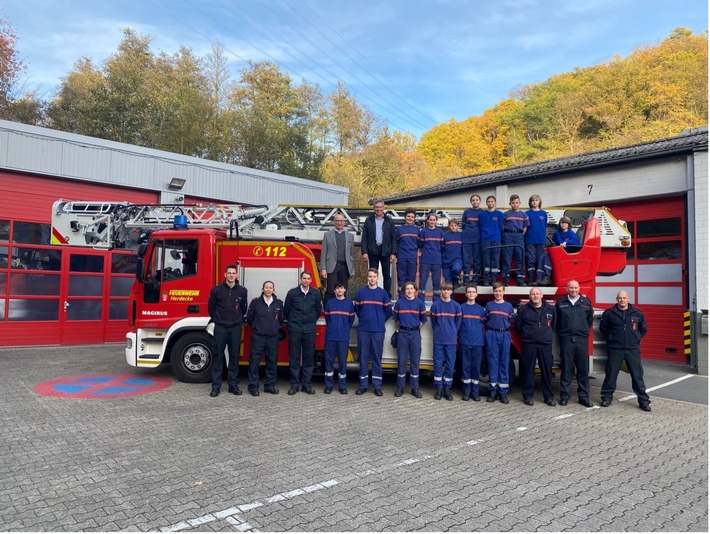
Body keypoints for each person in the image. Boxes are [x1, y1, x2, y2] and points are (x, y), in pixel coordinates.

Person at [600, 291, 651, 411]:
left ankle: (643, 401)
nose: (622, 300)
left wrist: (635, 339)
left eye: (624, 298)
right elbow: (603, 329)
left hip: (632, 349)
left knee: (637, 376)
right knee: (611, 374)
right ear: (616, 299)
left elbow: (643, 330)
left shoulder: (637, 313)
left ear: (628, 299)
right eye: (620, 298)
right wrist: (612, 338)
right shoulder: (609, 313)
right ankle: (606, 397)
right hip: (615, 349)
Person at [208, 264, 248, 397]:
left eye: (233, 273)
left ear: (236, 275)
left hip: (235, 327)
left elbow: (243, 308)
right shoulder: (217, 290)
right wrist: (218, 320)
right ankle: (216, 387)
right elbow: (211, 308)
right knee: (218, 356)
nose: (231, 275)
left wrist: (236, 320)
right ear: (225, 275)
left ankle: (233, 386)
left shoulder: (242, 291)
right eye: (229, 273)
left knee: (234, 356)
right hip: (220, 327)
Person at [515, 287, 557, 406]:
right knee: (528, 371)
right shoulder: (523, 310)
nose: (535, 296)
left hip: (545, 345)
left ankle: (548, 397)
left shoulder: (551, 309)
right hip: (529, 344)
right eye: (533, 294)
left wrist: (545, 335)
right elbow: (518, 326)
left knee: (547, 371)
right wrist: (527, 335)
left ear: (542, 295)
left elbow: (554, 325)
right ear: (529, 296)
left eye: (537, 294)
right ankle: (528, 396)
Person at [556, 280, 594, 407]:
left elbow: (589, 320)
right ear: (567, 288)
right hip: (566, 339)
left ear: (579, 288)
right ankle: (564, 397)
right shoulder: (561, 303)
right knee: (566, 369)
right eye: (571, 288)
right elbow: (557, 321)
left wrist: (581, 331)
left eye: (576, 288)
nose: (573, 290)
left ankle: (583, 397)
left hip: (581, 340)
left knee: (583, 370)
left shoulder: (586, 302)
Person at [354, 268, 393, 396]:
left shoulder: (383, 294)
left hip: (378, 330)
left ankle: (377, 386)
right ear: (367, 278)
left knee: (377, 358)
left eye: (374, 276)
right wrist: (366, 319)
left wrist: (380, 320)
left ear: (377, 278)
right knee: (363, 358)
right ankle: (363, 385)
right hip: (364, 330)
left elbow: (388, 311)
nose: (371, 279)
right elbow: (357, 309)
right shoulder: (360, 292)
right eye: (369, 276)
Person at [284, 271, 323, 395]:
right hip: (295, 329)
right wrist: (293, 323)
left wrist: (311, 322)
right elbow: (287, 310)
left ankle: (306, 385)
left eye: (308, 278)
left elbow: (317, 311)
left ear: (311, 280)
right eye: (304, 278)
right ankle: (294, 385)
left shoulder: (316, 294)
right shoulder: (292, 293)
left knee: (308, 358)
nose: (306, 280)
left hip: (309, 330)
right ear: (300, 279)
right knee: (294, 358)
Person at [246, 281, 284, 396]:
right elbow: (250, 319)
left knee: (272, 362)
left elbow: (281, 318)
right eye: (266, 287)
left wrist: (274, 328)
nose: (268, 289)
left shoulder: (278, 303)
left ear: (274, 289)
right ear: (262, 289)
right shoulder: (255, 303)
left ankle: (269, 386)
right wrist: (257, 328)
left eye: (270, 288)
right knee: (254, 362)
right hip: (258, 336)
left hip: (273, 337)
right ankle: (253, 387)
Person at [392, 281, 428, 398]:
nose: (409, 291)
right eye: (407, 289)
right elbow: (396, 319)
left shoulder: (420, 303)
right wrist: (404, 326)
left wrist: (414, 328)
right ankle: (400, 387)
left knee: (414, 363)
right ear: (404, 291)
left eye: (411, 288)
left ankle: (415, 388)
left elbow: (423, 321)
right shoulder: (399, 303)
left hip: (415, 335)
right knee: (401, 361)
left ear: (415, 290)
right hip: (402, 334)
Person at [430, 283, 462, 401]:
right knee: (438, 364)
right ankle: (439, 389)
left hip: (451, 340)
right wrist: (439, 331)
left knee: (450, 364)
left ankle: (447, 389)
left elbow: (458, 323)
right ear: (441, 291)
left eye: (448, 290)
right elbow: (433, 322)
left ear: (451, 291)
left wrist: (453, 332)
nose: (446, 292)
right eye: (444, 289)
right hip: (438, 339)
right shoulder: (435, 306)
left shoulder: (456, 306)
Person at [323, 283, 355, 395]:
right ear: (335, 290)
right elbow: (328, 318)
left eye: (341, 288)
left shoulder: (349, 304)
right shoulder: (329, 303)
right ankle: (328, 386)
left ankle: (342, 386)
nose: (340, 290)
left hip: (343, 338)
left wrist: (344, 329)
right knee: (329, 362)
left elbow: (351, 320)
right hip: (331, 337)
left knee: (342, 363)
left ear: (345, 290)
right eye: (337, 288)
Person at [485, 282, 514, 403]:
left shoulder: (508, 306)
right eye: (496, 291)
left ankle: (503, 392)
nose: (498, 293)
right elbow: (486, 319)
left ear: (504, 292)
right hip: (492, 333)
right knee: (492, 361)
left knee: (504, 362)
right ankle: (493, 390)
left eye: (500, 291)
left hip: (505, 334)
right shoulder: (489, 305)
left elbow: (511, 320)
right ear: (493, 292)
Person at [361, 199, 397, 297]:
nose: (378, 209)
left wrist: (393, 253)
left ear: (384, 208)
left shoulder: (389, 220)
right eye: (377, 207)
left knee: (386, 275)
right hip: (373, 251)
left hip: (386, 251)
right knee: (372, 274)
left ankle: (386, 295)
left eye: (380, 207)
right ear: (374, 208)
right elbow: (364, 237)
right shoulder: (369, 220)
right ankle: (372, 294)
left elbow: (394, 238)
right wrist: (364, 252)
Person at [320, 213, 355, 303]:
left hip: (345, 266)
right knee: (331, 290)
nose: (339, 223)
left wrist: (352, 270)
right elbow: (323, 253)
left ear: (344, 222)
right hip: (332, 266)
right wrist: (323, 269)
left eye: (341, 221)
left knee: (343, 290)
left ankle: (342, 310)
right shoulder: (327, 235)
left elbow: (352, 254)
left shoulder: (350, 236)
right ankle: (329, 310)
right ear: (334, 222)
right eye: (337, 221)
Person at [459, 284, 486, 401]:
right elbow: (458, 324)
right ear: (466, 294)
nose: (471, 294)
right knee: (465, 366)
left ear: (476, 294)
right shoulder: (461, 308)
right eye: (469, 292)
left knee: (476, 367)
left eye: (473, 292)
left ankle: (475, 392)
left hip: (477, 342)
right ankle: (466, 391)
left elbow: (484, 324)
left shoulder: (481, 309)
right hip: (465, 341)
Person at [538, 216, 582, 286]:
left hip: (566, 253)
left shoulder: (571, 233)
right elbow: (553, 242)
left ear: (568, 225)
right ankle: (539, 278)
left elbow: (577, 243)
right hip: (558, 251)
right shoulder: (557, 233)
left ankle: (547, 277)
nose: (563, 225)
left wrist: (566, 243)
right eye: (562, 223)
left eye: (565, 223)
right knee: (542, 256)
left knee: (547, 256)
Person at [501, 194, 529, 287]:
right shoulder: (505, 214)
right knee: (506, 258)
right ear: (510, 204)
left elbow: (525, 227)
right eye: (513, 203)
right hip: (508, 236)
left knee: (520, 258)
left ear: (519, 203)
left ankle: (520, 279)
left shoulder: (524, 215)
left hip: (519, 236)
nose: (515, 205)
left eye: (516, 203)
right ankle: (505, 279)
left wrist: (520, 235)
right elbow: (502, 226)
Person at [418, 212, 444, 301]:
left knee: (436, 282)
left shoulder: (440, 232)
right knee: (422, 281)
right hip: (425, 260)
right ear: (427, 221)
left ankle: (436, 301)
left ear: (436, 221)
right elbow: (420, 244)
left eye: (434, 220)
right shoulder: (423, 232)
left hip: (437, 260)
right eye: (430, 220)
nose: (432, 222)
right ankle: (421, 300)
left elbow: (442, 245)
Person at [395, 208, 420, 298]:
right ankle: (401, 298)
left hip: (412, 257)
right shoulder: (399, 230)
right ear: (405, 217)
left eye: (412, 217)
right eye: (408, 216)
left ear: (414, 218)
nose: (410, 218)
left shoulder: (417, 230)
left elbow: (420, 244)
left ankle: (410, 298)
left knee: (411, 279)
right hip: (401, 257)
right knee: (401, 279)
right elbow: (395, 243)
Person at [479, 195, 504, 286]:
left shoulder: (499, 214)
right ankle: (486, 279)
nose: (490, 203)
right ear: (486, 203)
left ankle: (493, 279)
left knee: (495, 260)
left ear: (495, 202)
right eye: (488, 201)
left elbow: (501, 227)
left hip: (496, 239)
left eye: (492, 201)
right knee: (486, 260)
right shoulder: (482, 214)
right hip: (485, 239)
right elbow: (481, 226)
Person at [525, 194, 548, 285]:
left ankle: (539, 278)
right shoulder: (527, 213)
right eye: (533, 200)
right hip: (530, 240)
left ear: (539, 202)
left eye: (536, 200)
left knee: (539, 260)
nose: (534, 202)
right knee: (531, 260)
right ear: (530, 202)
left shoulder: (543, 213)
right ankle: (531, 278)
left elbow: (544, 226)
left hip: (541, 241)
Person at [461, 194, 483, 284]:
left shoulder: (483, 212)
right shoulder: (466, 212)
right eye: (473, 200)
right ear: (471, 202)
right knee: (466, 259)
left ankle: (475, 279)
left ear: (480, 201)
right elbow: (463, 225)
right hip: (467, 239)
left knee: (477, 260)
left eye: (477, 200)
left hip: (478, 239)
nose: (475, 202)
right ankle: (466, 279)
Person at [442, 218, 464, 286]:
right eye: (452, 225)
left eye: (455, 225)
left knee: (457, 269)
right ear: (449, 226)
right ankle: (451, 296)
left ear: (458, 226)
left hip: (457, 259)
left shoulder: (461, 235)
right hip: (446, 262)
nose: (453, 227)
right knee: (448, 283)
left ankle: (456, 278)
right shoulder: (444, 236)